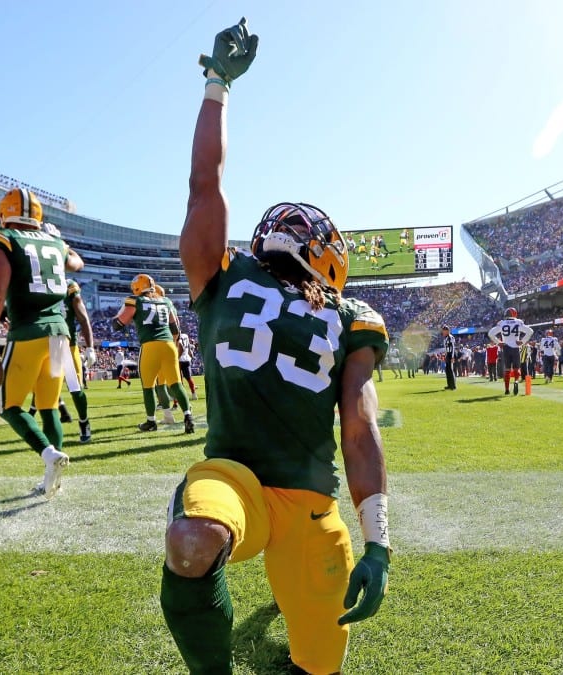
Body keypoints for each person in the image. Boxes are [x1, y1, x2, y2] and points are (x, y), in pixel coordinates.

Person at [161, 20, 390, 675]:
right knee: (192, 537)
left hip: (309, 506)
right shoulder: (222, 273)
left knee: (319, 664)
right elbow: (204, 184)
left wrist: (377, 540)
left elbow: (361, 422)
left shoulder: (350, 315)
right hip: (234, 478)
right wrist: (217, 85)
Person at [0, 187, 84, 499]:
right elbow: (77, 264)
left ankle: (49, 456)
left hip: (27, 331)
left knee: (8, 406)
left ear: (5, 214)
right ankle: (52, 479)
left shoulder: (3, 237)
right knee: (48, 406)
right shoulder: (56, 244)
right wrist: (59, 241)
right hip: (59, 332)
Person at [113, 273, 195, 434]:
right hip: (169, 345)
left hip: (150, 345)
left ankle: (151, 421)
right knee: (176, 384)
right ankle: (188, 417)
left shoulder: (135, 301)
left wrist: (118, 314)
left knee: (148, 386)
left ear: (137, 287)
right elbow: (175, 328)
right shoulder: (166, 301)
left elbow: (118, 324)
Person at [63, 278, 96, 443]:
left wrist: (90, 347)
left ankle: (84, 421)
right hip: (42, 342)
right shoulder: (33, 280)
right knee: (41, 387)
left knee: (75, 387)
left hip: (67, 344)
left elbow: (83, 318)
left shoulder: (69, 286)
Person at [492, 307, 533, 395]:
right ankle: (516, 381)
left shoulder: (502, 323)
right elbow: (530, 331)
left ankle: (507, 389)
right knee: (516, 368)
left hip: (506, 347)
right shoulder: (518, 322)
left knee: (507, 369)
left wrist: (498, 342)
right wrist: (522, 341)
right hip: (515, 347)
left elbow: (490, 333)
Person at [178, 331, 199, 398]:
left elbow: (180, 347)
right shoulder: (185, 336)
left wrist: (177, 357)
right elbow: (189, 348)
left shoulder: (177, 336)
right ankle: (194, 394)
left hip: (179, 360)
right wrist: (190, 356)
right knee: (189, 378)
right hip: (186, 359)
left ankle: (182, 395)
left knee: (179, 380)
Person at [441, 325, 457, 390]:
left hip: (451, 355)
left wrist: (452, 357)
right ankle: (449, 385)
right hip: (448, 355)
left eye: (444, 331)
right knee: (447, 370)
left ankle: (453, 386)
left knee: (451, 370)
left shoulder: (451, 337)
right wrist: (445, 355)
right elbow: (446, 348)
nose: (443, 332)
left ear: (447, 331)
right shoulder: (445, 338)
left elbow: (453, 347)